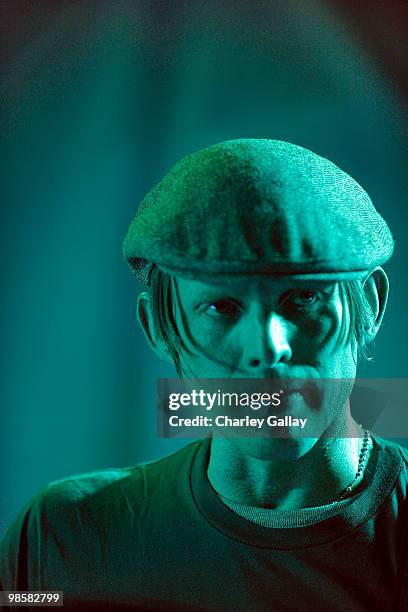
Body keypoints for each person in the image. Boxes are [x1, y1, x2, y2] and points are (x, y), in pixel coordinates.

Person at [1, 139, 407, 611]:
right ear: (157, 325)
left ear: (372, 304)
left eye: (304, 298)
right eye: (222, 306)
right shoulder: (63, 540)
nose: (268, 348)